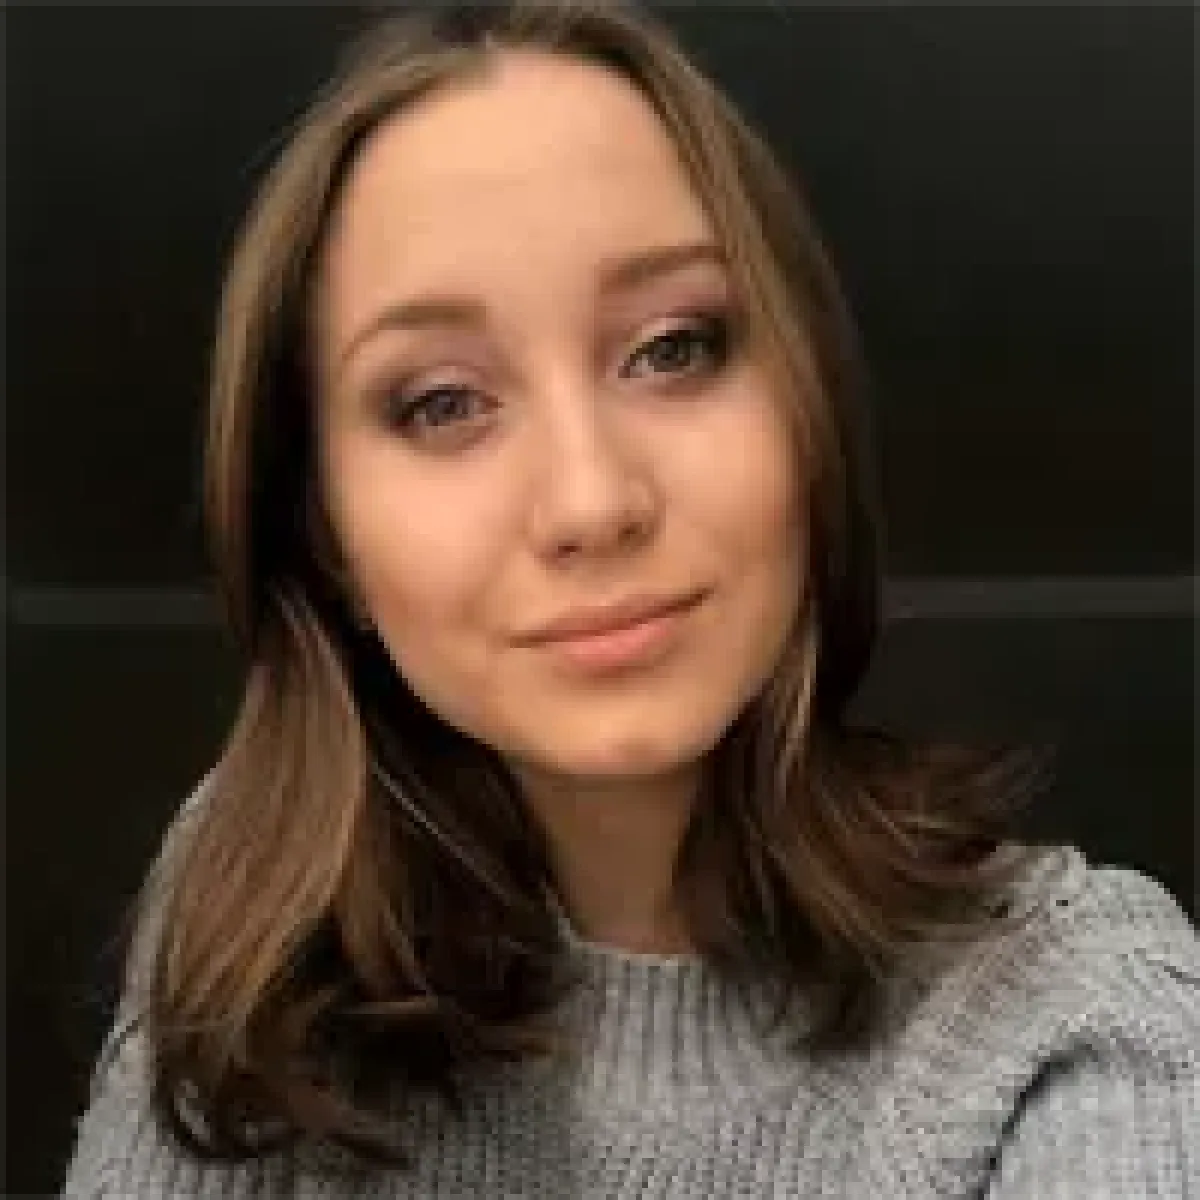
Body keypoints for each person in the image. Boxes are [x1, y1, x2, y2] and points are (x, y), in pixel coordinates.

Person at [62, 0, 1198, 1195]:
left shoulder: (1074, 1007)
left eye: (674, 347)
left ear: (806, 410)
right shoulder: (256, 925)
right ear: (328, 536)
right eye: (442, 403)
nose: (592, 501)